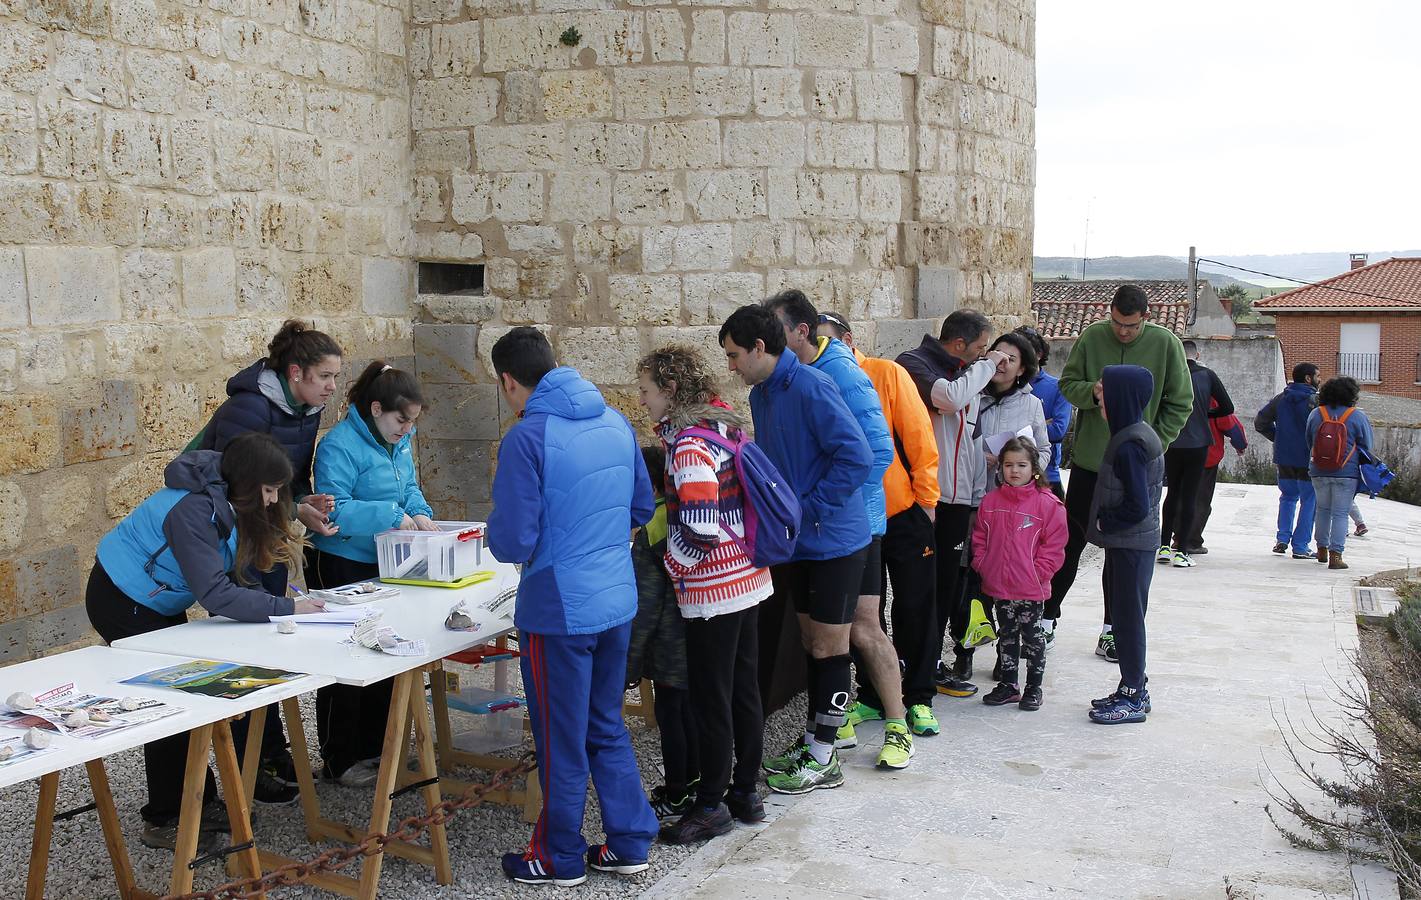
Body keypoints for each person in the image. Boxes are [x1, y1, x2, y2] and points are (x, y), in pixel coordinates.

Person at [84, 434, 322, 852]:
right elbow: (214, 593)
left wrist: (277, 605)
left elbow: (235, 573)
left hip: (157, 598)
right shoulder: (193, 510)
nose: (272, 501)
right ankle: (168, 817)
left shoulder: (227, 497)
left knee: (185, 696)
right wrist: (284, 609)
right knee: (169, 704)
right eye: (268, 491)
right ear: (249, 485)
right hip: (122, 598)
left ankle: (197, 802)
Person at [488, 327, 658, 886]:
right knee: (603, 724)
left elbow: (512, 541)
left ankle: (559, 856)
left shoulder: (526, 437)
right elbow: (638, 506)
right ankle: (630, 840)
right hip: (616, 596)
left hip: (558, 606)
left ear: (509, 382)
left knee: (560, 737)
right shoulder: (614, 421)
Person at [719, 304, 872, 795]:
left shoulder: (811, 386)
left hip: (834, 542)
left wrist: (807, 508)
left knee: (831, 646)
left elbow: (857, 456)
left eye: (734, 355)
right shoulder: (763, 393)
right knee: (812, 643)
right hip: (798, 543)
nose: (730, 367)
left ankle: (825, 756)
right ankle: (816, 740)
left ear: (760, 349)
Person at [189, 319, 344, 801]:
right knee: (245, 646)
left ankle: (272, 751)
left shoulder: (305, 407)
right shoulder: (248, 407)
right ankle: (246, 766)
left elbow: (283, 476)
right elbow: (230, 481)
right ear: (295, 372)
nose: (332, 387)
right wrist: (286, 508)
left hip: (268, 529)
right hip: (236, 535)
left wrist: (300, 505)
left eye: (336, 377)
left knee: (273, 645)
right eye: (324, 377)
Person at [764, 293, 909, 771]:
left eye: (774, 327)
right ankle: (833, 728)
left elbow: (876, 453)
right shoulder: (785, 383)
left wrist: (824, 509)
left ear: (801, 332)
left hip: (856, 525)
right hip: (822, 527)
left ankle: (898, 724)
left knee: (864, 629)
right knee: (826, 638)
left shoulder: (844, 374)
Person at [636, 346, 772, 843]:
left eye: (648, 391)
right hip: (749, 578)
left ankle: (711, 804)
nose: (644, 401)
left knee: (711, 700)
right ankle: (745, 793)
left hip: (714, 589)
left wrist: (673, 568)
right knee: (743, 690)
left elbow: (698, 526)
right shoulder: (724, 427)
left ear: (670, 391)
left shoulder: (689, 447)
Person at [816, 312, 942, 748]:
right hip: (855, 522)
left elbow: (918, 438)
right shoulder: (817, 382)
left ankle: (920, 695)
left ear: (847, 340)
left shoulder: (886, 373)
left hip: (902, 512)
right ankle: (872, 694)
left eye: (827, 342)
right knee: (865, 614)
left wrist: (927, 502)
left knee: (915, 605)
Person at [309, 362, 436, 788]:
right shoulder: (338, 446)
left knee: (386, 653)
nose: (407, 429)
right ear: (376, 408)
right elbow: (334, 509)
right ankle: (339, 757)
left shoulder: (399, 440)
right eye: (402, 420)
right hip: (342, 561)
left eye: (413, 422)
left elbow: (409, 487)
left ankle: (378, 748)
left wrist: (419, 512)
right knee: (344, 658)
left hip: (388, 560)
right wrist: (393, 515)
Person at [1056, 285, 1191, 664]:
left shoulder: (1167, 345)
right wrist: (1094, 394)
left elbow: (1180, 402)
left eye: (1130, 326)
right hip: (1089, 462)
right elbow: (1068, 385)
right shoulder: (1092, 336)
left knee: (1122, 552)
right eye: (1116, 323)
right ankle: (1049, 618)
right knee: (1070, 542)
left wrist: (1152, 443)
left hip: (1134, 466)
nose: (1122, 332)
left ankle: (1111, 631)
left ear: (1145, 318)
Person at [896, 310, 1008, 697]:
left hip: (958, 500)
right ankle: (911, 670)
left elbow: (971, 441)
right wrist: (986, 366)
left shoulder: (966, 372)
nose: (986, 357)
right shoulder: (914, 363)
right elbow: (947, 399)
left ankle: (931, 665)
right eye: (981, 349)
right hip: (928, 498)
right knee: (919, 593)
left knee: (945, 588)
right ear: (959, 344)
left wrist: (977, 496)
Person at [960, 331, 1050, 683]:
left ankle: (1006, 657)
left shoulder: (1031, 405)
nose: (1003, 363)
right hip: (971, 499)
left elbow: (1043, 451)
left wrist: (1015, 461)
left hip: (1011, 508)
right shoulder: (970, 395)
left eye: (1012, 359)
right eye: (998, 355)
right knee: (968, 581)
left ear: (1022, 368)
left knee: (1007, 589)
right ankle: (964, 651)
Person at [624, 444, 701, 826]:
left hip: (671, 648)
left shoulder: (650, 529)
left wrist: (628, 668)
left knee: (673, 716)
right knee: (693, 713)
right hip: (698, 633)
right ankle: (697, 782)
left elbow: (645, 608)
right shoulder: (681, 514)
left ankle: (677, 791)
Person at [1085, 365, 1165, 725]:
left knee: (1129, 619)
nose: (1099, 400)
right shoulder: (1131, 434)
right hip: (1129, 544)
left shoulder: (1131, 444)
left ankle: (1133, 695)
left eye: (1105, 393)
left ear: (1121, 398)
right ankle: (1133, 687)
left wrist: (1106, 522)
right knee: (1124, 616)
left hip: (1131, 543)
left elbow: (1136, 504)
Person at [970, 437, 1067, 711]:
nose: (1015, 470)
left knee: (1033, 637)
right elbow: (979, 538)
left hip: (1030, 588)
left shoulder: (1048, 505)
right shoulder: (990, 502)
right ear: (1000, 467)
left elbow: (1055, 545)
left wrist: (1039, 572)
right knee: (1007, 635)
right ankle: (1008, 685)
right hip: (999, 586)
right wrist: (982, 563)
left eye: (1022, 465)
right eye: (1009, 464)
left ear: (1034, 468)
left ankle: (1033, 687)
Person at [1156, 340, 1234, 569]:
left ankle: (1163, 546)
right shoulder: (1208, 375)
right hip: (1199, 442)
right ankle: (1182, 550)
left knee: (1172, 494)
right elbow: (1227, 407)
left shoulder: (1169, 374)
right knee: (1190, 496)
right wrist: (1206, 414)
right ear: (1197, 355)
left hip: (1172, 441)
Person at [1305, 376, 1375, 571]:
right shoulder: (1357, 416)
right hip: (1346, 472)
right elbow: (1367, 446)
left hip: (1318, 470)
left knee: (1322, 510)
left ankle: (1321, 549)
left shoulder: (1316, 414)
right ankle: (1336, 555)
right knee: (1341, 513)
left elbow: (1309, 440)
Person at [1255, 363, 1320, 559]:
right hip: (1308, 458)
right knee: (1309, 500)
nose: (1320, 379)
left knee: (1288, 497)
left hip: (1284, 457)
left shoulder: (1281, 398)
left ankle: (1282, 539)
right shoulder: (1316, 401)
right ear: (1308, 378)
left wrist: (1278, 438)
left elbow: (1260, 422)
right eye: (1317, 376)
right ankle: (1300, 546)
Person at [1181, 398, 1247, 554]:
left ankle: (1178, 537)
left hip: (1179, 453)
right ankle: (1191, 540)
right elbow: (1232, 425)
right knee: (1200, 500)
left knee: (1179, 496)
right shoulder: (1212, 400)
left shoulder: (1178, 394)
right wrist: (1240, 445)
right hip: (1206, 457)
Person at [1015, 326, 1072, 501]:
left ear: (1039, 355)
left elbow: (1057, 431)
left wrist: (1018, 430)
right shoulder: (1007, 386)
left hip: (1046, 475)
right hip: (1010, 474)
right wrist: (1041, 425)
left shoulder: (1057, 388)